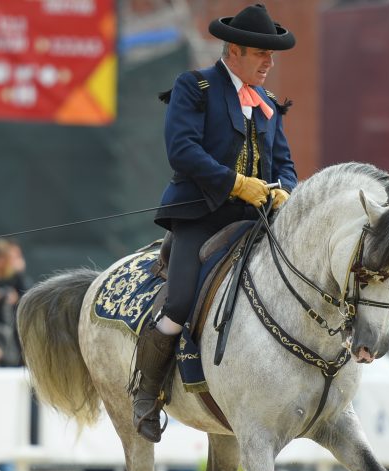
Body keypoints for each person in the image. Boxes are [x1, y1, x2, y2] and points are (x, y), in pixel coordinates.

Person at [129, 2, 298, 442]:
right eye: (262, 54)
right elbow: (182, 150)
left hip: (257, 219)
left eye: (271, 55)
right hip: (200, 214)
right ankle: (146, 391)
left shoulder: (267, 104)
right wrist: (236, 184)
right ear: (236, 50)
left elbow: (285, 164)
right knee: (181, 301)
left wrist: (283, 190)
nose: (269, 61)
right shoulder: (195, 86)